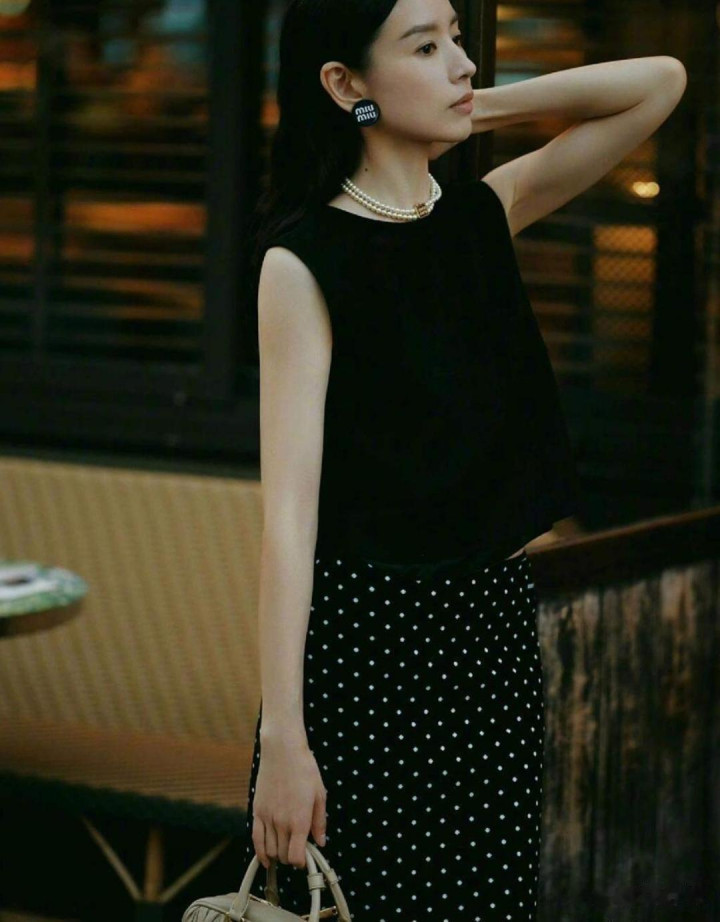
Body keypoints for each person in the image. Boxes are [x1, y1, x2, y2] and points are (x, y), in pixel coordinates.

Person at [239, 1, 687, 919]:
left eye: (456, 36)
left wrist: (471, 106)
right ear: (344, 83)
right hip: (367, 656)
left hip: (490, 641)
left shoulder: (484, 213)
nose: (463, 61)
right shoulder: (304, 260)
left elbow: (660, 83)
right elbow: (289, 518)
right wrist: (284, 736)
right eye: (426, 45)